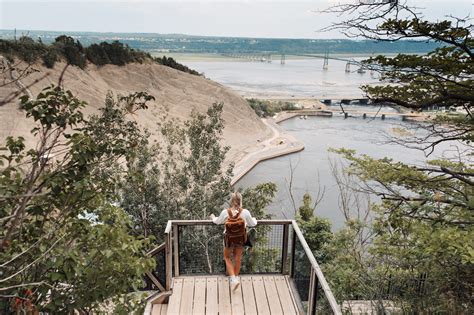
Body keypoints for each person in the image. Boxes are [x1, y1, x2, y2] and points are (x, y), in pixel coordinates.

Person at [210, 192, 257, 291]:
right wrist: (254, 219)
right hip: (240, 239)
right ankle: (235, 279)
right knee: (237, 258)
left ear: (231, 201)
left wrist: (213, 217)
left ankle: (233, 280)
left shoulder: (225, 212)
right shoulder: (245, 212)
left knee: (227, 257)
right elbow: (252, 224)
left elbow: (218, 221)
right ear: (241, 201)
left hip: (229, 239)